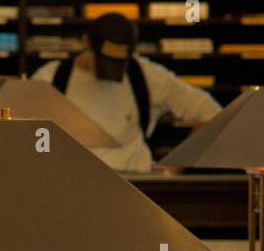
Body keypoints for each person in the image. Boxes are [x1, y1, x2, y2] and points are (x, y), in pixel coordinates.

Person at [31, 13, 222, 173]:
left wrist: (172, 168)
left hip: (135, 190)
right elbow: (24, 135)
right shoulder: (50, 78)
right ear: (86, 41)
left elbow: (212, 115)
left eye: (119, 63)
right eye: (105, 61)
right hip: (69, 190)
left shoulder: (146, 76)